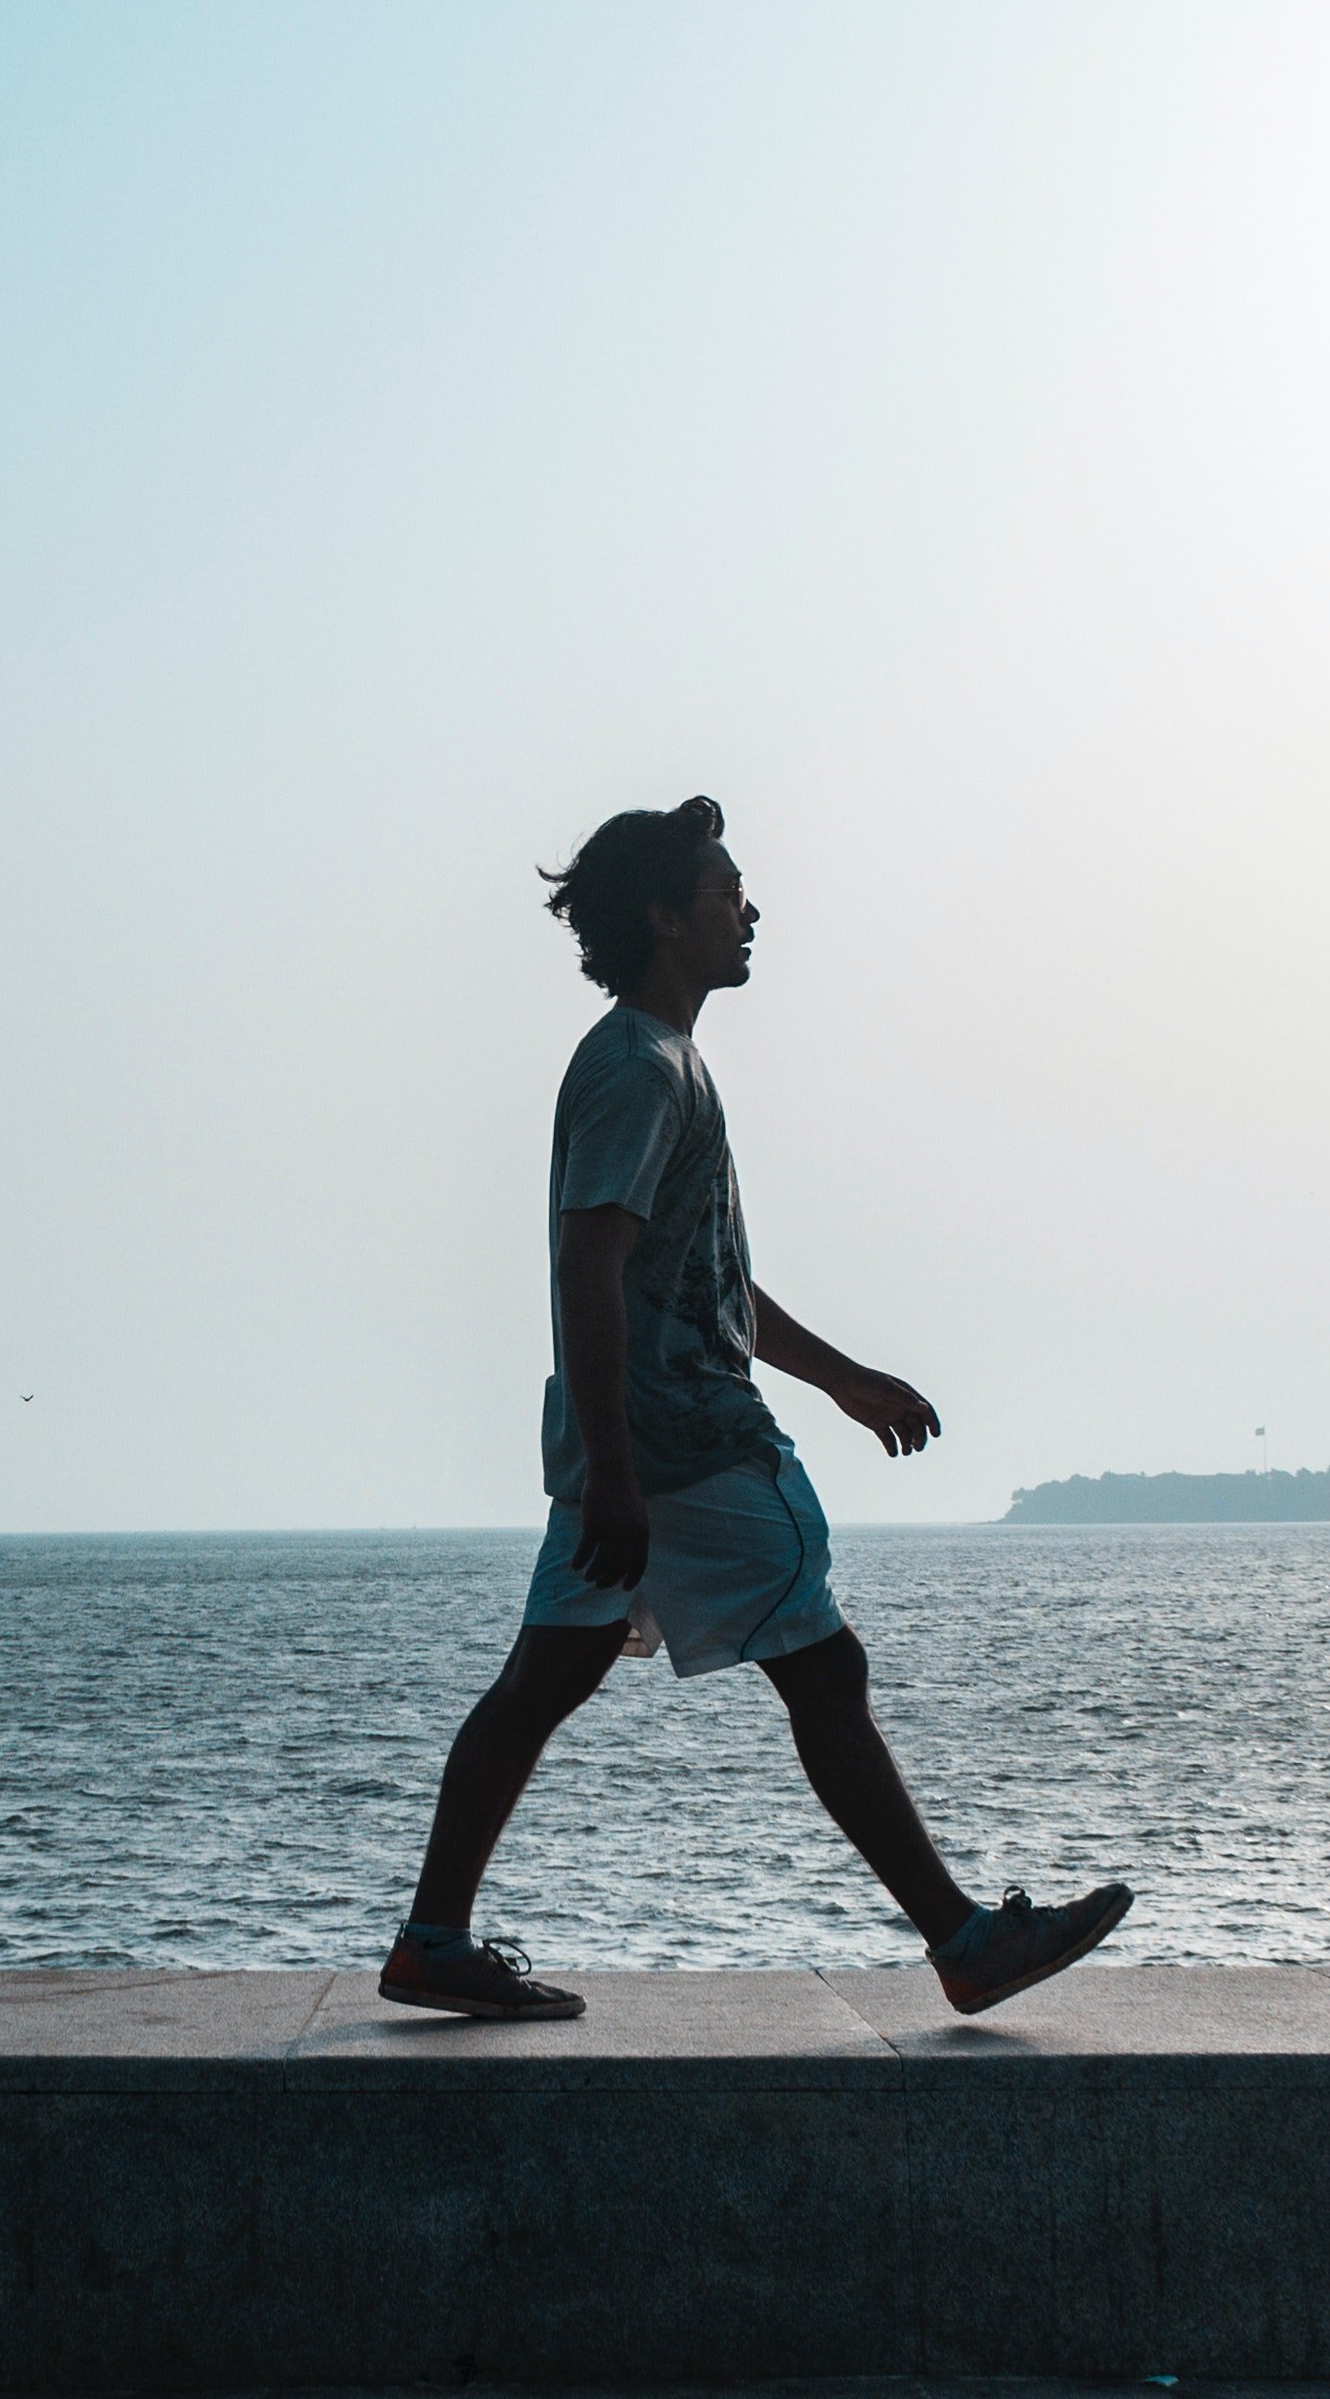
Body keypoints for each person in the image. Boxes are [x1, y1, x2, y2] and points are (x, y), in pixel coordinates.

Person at [381, 795, 1131, 2020]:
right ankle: (961, 1938)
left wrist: (837, 1374)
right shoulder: (637, 1068)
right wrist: (623, 1472)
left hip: (633, 1448)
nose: (752, 910)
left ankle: (430, 1942)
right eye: (729, 892)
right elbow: (590, 1267)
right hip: (688, 1449)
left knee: (543, 1679)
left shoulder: (659, 1060)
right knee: (826, 1669)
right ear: (669, 916)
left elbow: (697, 1272)